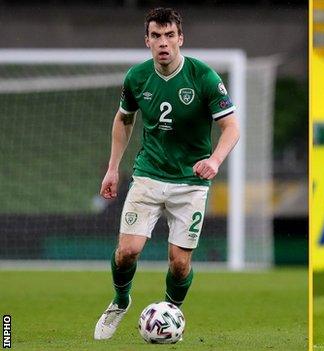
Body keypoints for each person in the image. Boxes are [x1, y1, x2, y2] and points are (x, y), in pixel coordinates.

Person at [94, 7, 239, 340]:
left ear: (180, 38)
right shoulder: (137, 78)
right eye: (156, 36)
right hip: (148, 175)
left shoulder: (203, 77)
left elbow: (231, 127)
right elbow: (124, 118)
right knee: (128, 250)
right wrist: (112, 168)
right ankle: (120, 301)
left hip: (191, 183)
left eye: (169, 35)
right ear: (147, 40)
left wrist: (215, 160)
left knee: (179, 263)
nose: (163, 43)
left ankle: (172, 314)